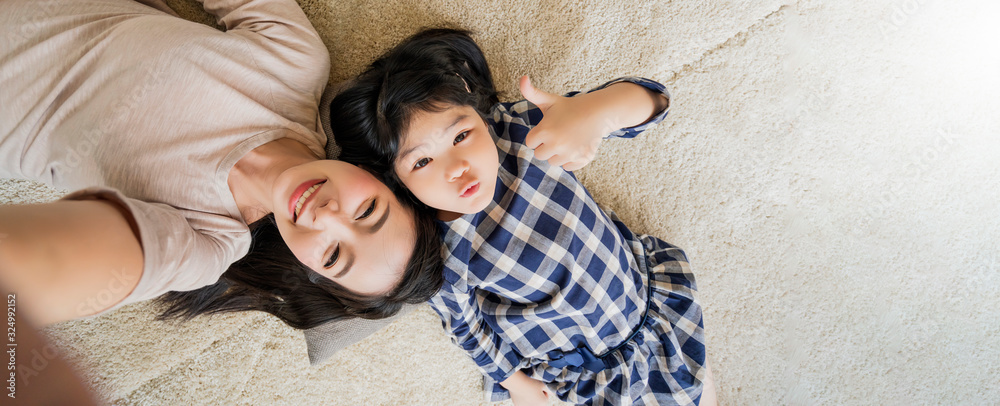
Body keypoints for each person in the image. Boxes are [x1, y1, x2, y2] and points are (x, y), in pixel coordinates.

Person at [329, 29, 717, 405]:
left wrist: (595, 113)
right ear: (395, 180)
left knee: (697, 388)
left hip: (644, 299)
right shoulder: (440, 253)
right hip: (586, 364)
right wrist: (516, 383)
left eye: (461, 135)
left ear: (478, 114)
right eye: (423, 161)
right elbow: (466, 329)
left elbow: (655, 102)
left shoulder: (521, 129)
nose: (457, 168)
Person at [0, 0, 443, 329]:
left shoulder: (206, 243)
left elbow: (79, 261)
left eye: (332, 255)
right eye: (367, 211)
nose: (327, 216)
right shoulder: (293, 63)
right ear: (380, 173)